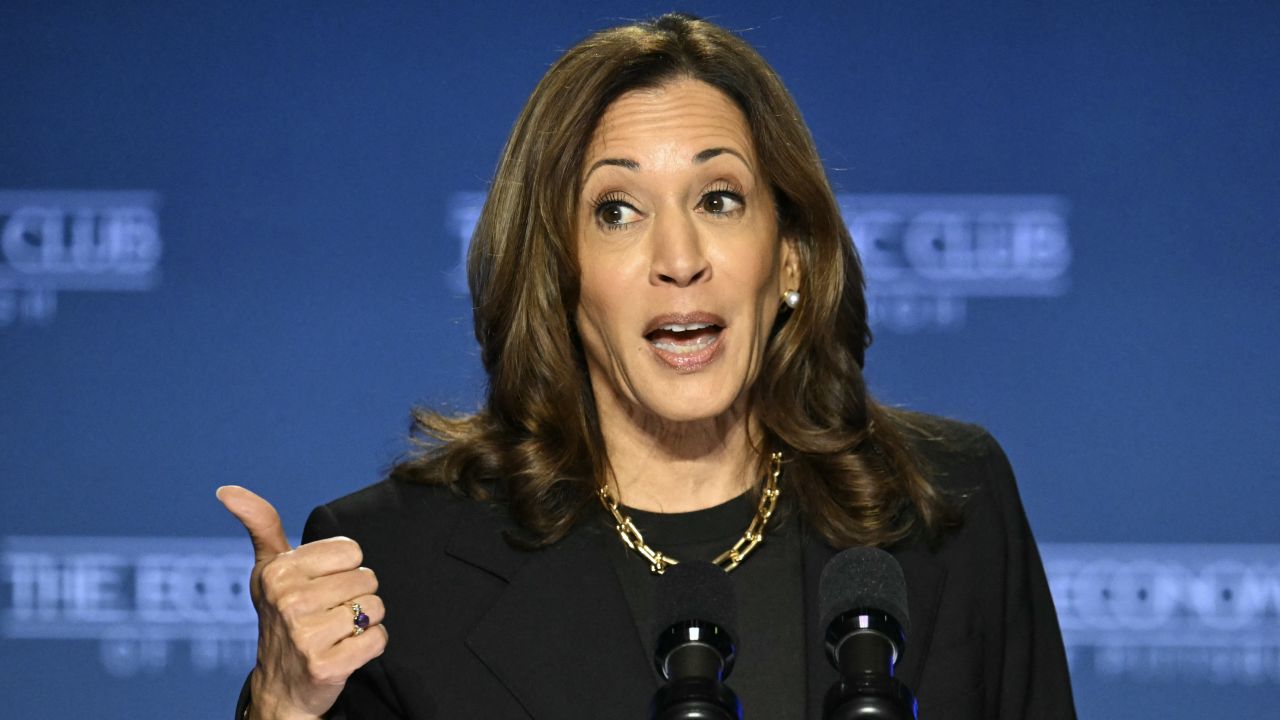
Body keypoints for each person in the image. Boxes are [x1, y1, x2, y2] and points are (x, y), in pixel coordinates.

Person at [218, 13, 1075, 719]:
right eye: (618, 210)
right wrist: (282, 708)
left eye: (719, 199)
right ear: (557, 274)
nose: (679, 256)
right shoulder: (395, 569)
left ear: (791, 259)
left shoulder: (950, 506)